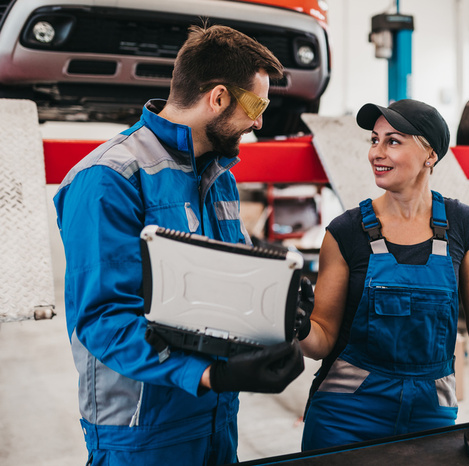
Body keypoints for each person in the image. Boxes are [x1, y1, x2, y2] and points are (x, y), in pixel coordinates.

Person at [53, 25, 304, 465]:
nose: (260, 122)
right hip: (142, 433)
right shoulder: (109, 179)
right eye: (257, 105)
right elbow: (103, 321)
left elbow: (224, 288)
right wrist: (210, 373)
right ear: (219, 98)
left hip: (214, 419)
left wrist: (278, 307)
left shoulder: (219, 178)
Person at [296, 99, 469, 466]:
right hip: (345, 419)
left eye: (393, 141)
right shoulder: (345, 232)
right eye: (374, 140)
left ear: (429, 154)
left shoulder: (463, 226)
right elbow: (322, 340)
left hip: (430, 417)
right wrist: (298, 324)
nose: (376, 153)